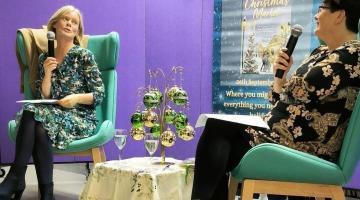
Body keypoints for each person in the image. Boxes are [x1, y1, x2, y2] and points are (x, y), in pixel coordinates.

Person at [191, 0, 360, 199]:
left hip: (307, 147)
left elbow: (305, 87)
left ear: (340, 15)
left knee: (218, 130)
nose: (316, 15)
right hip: (280, 136)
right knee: (219, 135)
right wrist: (280, 78)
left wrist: (288, 83)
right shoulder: (322, 52)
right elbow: (283, 98)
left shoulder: (352, 54)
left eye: (321, 8)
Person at [0, 5, 104, 200]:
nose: (69, 24)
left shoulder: (83, 56)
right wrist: (47, 72)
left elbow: (99, 94)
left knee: (34, 116)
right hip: (53, 112)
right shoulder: (44, 57)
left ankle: (16, 177)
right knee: (37, 120)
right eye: (65, 19)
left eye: (74, 22)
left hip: (79, 117)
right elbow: (45, 95)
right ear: (54, 24)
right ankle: (45, 193)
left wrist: (75, 98)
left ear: (77, 31)